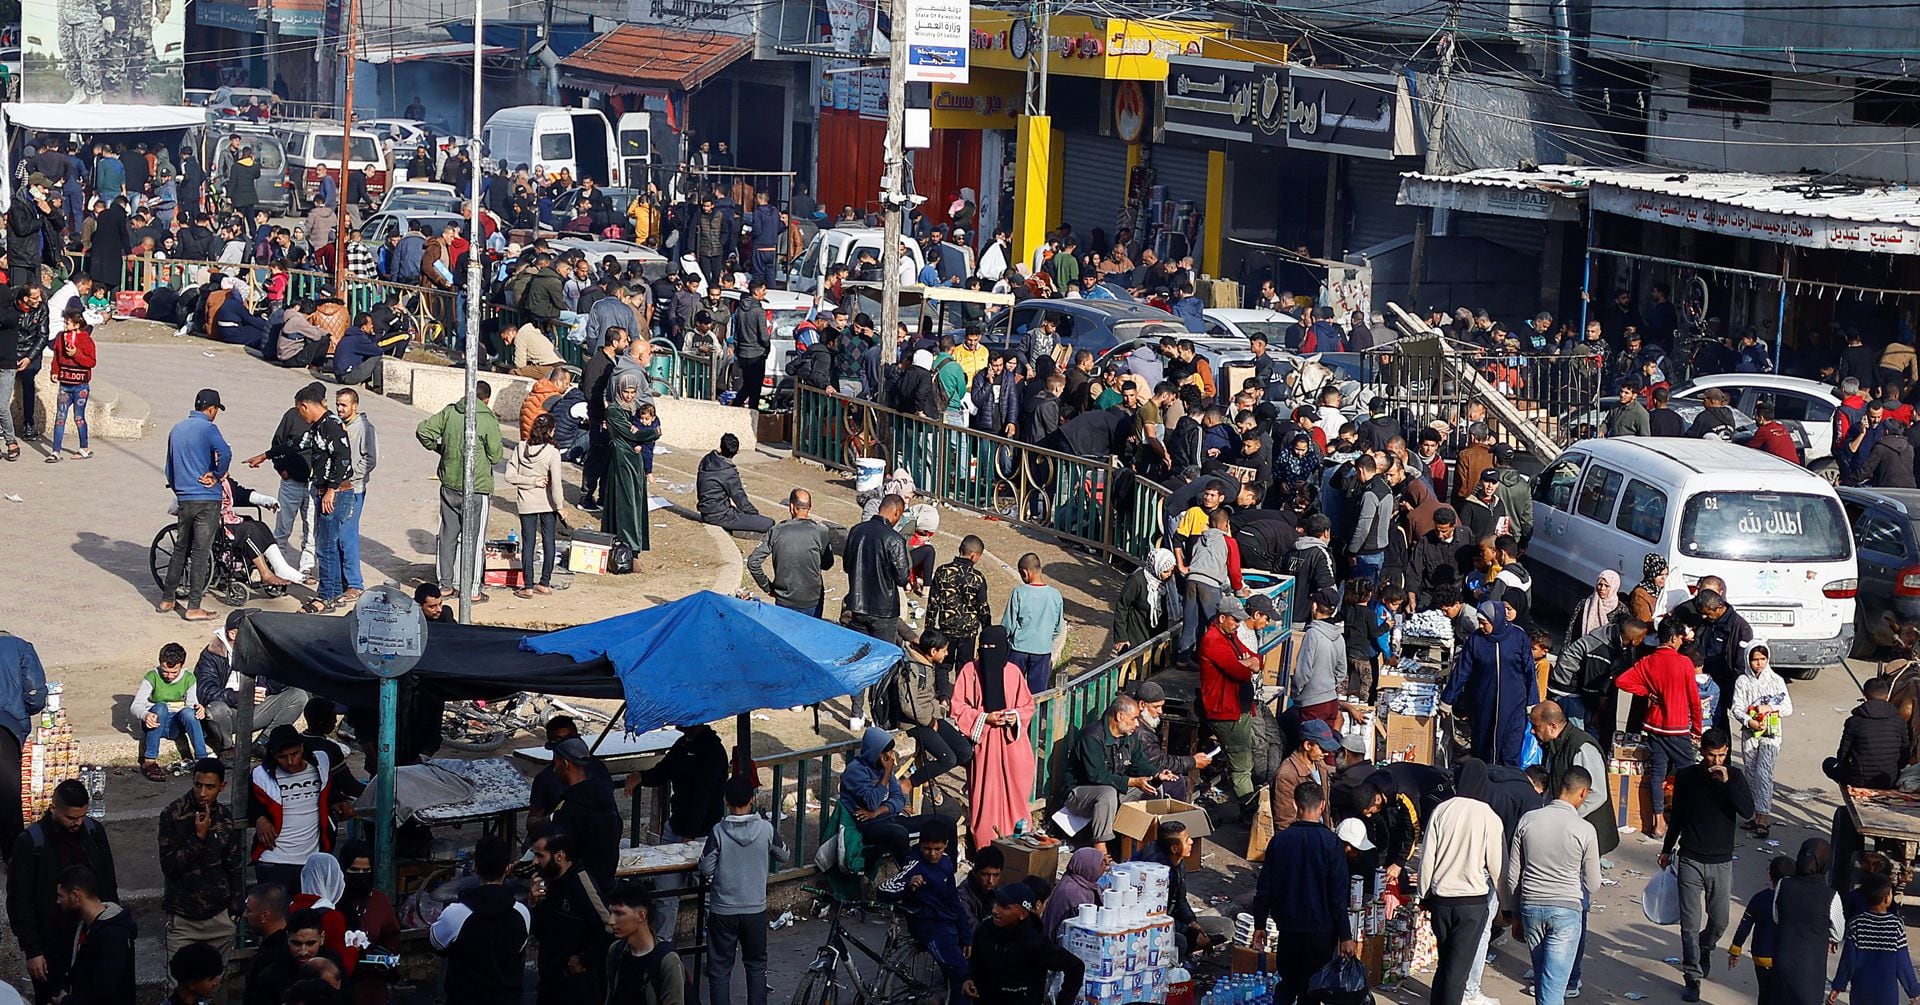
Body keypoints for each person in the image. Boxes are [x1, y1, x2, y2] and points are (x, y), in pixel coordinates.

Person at [1662, 728, 1754, 1000]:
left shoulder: (1735, 777)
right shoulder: (1688, 777)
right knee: (1689, 924)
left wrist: (1726, 783)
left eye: (1722, 755)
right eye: (1712, 755)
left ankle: (1706, 946)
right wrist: (1667, 849)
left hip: (1721, 862)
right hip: (1690, 857)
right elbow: (1677, 815)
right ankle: (1692, 976)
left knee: (1720, 921)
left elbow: (1748, 812)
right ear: (1702, 752)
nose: (1717, 761)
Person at [8, 779, 117, 1004]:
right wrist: (33, 950)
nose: (77, 823)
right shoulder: (30, 843)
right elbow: (20, 901)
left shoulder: (94, 832)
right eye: (71, 818)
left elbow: (107, 883)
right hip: (50, 941)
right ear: (53, 809)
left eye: (82, 816)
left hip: (90, 936)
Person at [1505, 766, 1602, 1005]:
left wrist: (1515, 915)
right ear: (1583, 793)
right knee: (1553, 989)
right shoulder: (1585, 829)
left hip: (1531, 908)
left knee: (1543, 982)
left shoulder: (1529, 819)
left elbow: (1512, 875)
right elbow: (1593, 882)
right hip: (1566, 912)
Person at [1252, 781, 1355, 1005]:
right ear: (1322, 805)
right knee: (1312, 989)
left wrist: (1259, 923)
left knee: (1287, 983)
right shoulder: (1332, 843)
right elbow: (1338, 895)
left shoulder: (1279, 841)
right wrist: (1345, 936)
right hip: (1321, 931)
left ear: (1295, 805)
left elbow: (1265, 887)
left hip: (1288, 928)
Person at [1421, 759, 1505, 1005]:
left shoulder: (1442, 810)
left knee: (1445, 962)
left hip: (1441, 901)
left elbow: (1427, 859)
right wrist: (1507, 906)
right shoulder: (1490, 817)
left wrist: (1424, 895)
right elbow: (1498, 868)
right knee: (1458, 971)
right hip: (1472, 904)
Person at [701, 776, 789, 1005]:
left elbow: (705, 867)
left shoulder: (718, 831)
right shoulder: (766, 829)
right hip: (755, 910)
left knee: (719, 969)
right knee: (756, 965)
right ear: (753, 799)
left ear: (725, 801)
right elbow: (785, 855)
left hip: (723, 911)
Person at [415, 381, 503, 604]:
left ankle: (445, 585)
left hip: (450, 484)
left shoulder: (450, 412)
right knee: (474, 539)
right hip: (477, 488)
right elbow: (495, 456)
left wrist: (441, 449)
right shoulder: (487, 419)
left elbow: (423, 431)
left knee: (447, 535)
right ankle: (472, 589)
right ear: (486, 400)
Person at [1615, 619, 1705, 838]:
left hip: (1654, 726)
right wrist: (1698, 728)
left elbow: (1622, 681)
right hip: (1677, 727)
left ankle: (1658, 823)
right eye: (1680, 638)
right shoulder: (1683, 663)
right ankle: (1689, 819)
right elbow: (1694, 699)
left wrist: (1647, 692)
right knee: (1689, 774)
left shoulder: (1648, 661)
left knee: (1657, 773)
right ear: (1674, 638)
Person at [249, 724, 364, 893]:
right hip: (274, 861)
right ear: (272, 755)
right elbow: (249, 802)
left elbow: (330, 793)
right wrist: (259, 818)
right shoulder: (261, 776)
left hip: (312, 861)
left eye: (294, 754)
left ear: (302, 748)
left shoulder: (321, 765)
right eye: (282, 757)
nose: (289, 762)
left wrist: (339, 803)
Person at [951, 627, 1037, 849]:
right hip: (985, 743)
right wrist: (984, 718)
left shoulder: (1013, 672)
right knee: (985, 794)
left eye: (995, 648)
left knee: (1017, 790)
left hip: (1012, 743)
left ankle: (1017, 842)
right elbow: (958, 707)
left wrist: (1013, 716)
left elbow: (1027, 705)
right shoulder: (970, 671)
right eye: (985, 648)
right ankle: (986, 846)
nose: (990, 653)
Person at [878, 816, 971, 1004]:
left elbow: (953, 900)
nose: (932, 853)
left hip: (947, 922)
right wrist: (908, 885)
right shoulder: (914, 864)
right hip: (928, 927)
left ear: (946, 846)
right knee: (961, 973)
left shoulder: (946, 864)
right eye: (927, 848)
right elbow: (884, 889)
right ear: (920, 845)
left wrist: (966, 934)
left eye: (938, 849)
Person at [429, 837, 531, 1005]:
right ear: (507, 869)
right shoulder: (522, 913)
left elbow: (437, 944)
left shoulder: (456, 913)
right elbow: (519, 948)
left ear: (476, 868)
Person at [161, 389, 233, 621]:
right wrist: (216, 474)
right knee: (201, 552)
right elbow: (225, 452)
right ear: (211, 409)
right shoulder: (208, 428)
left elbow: (169, 468)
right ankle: (193, 607)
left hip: (185, 497)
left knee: (181, 548)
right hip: (206, 499)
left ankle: (167, 599)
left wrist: (180, 488)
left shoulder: (177, 429)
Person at [157, 758, 239, 960]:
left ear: (222, 786)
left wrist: (235, 907)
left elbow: (234, 864)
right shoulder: (173, 814)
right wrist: (198, 838)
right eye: (198, 785)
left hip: (219, 914)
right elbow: (170, 867)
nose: (202, 793)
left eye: (210, 787)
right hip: (184, 915)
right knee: (180, 985)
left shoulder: (225, 817)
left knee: (217, 985)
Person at [1061, 695, 1168, 847]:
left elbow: (1140, 763)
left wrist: (1157, 775)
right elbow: (1097, 776)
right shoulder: (1092, 737)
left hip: (1114, 789)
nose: (1137, 724)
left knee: (1154, 788)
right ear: (1120, 716)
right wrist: (1132, 782)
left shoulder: (1129, 737)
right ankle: (1101, 845)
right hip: (1079, 794)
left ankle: (1141, 841)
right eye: (1134, 718)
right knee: (1107, 793)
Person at [1443, 602, 1536, 766]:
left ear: (1496, 619)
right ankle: (1484, 782)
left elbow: (1529, 671)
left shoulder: (1517, 638)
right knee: (1483, 745)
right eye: (1480, 622)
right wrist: (1447, 699)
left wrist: (1532, 701)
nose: (1481, 627)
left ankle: (1506, 784)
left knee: (1509, 748)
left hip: (1514, 704)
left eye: (1484, 623)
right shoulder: (1476, 640)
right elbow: (1462, 671)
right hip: (1484, 703)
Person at [965, 879, 1084, 1005]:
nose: (995, 910)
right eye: (996, 903)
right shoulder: (984, 929)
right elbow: (975, 961)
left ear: (1022, 914)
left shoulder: (1035, 943)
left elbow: (1076, 967)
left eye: (1004, 907)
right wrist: (968, 978)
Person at [529, 829, 612, 1005]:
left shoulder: (582, 885)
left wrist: (583, 960)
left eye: (540, 856)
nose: (535, 862)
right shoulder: (547, 881)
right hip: (549, 981)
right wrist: (534, 904)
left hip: (576, 988)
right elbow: (541, 932)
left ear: (559, 856)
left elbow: (611, 928)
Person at [1198, 596, 1259, 814]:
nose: (1238, 624)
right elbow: (1239, 671)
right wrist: (1247, 664)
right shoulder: (1213, 640)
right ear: (1222, 617)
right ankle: (1250, 811)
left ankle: (1248, 805)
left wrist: (1249, 662)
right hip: (1226, 712)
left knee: (1244, 762)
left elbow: (1255, 660)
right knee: (1241, 765)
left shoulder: (1230, 636)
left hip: (1238, 709)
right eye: (1234, 620)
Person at [1136, 819, 1231, 959]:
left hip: (1174, 919)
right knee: (1181, 941)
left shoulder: (1178, 861)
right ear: (1174, 848)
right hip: (1152, 927)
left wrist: (1192, 922)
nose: (1192, 842)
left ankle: (1193, 946)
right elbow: (1154, 918)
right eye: (1187, 840)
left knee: (1226, 927)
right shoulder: (1154, 875)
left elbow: (1181, 899)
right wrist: (1190, 932)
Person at [545, 738, 624, 892]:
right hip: (606, 883)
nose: (554, 768)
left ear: (566, 764)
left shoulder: (569, 809)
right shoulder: (605, 800)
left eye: (556, 762)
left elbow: (561, 852)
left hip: (579, 889)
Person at [1731, 640, 1792, 839]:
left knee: (1764, 773)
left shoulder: (1776, 680)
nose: (1759, 663)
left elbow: (1788, 708)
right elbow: (1737, 708)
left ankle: (1764, 817)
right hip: (1750, 733)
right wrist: (1750, 722)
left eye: (1763, 659)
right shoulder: (1743, 681)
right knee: (1750, 772)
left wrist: (1771, 708)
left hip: (1771, 734)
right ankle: (1754, 815)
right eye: (1755, 659)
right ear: (1748, 660)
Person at [840, 727, 925, 866]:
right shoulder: (856, 771)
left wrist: (879, 811)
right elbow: (872, 802)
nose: (889, 757)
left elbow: (899, 799)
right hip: (867, 826)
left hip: (888, 818)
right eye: (885, 753)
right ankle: (908, 876)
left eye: (890, 752)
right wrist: (886, 774)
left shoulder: (883, 768)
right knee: (900, 834)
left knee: (942, 822)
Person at [54, 865, 136, 1005]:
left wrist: (66, 1001)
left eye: (61, 896)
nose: (58, 901)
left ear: (75, 896)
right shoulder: (84, 926)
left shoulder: (113, 935)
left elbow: (106, 993)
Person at [1831, 874, 1918, 1005]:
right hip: (1886, 992)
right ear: (1887, 898)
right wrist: (1913, 992)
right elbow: (1903, 962)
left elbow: (1848, 961)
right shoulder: (1895, 925)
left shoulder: (1857, 923)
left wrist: (1838, 987)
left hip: (1861, 991)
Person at [746, 489, 835, 617]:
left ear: (791, 506)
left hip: (784, 598)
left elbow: (753, 562)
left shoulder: (776, 531)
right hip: (812, 599)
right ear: (809, 507)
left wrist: (768, 587)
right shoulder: (820, 531)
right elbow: (827, 564)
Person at [506, 413, 565, 597]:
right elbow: (556, 483)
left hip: (526, 502)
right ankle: (544, 583)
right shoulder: (552, 452)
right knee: (549, 541)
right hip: (547, 503)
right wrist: (560, 505)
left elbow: (509, 475)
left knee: (528, 543)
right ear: (551, 431)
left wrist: (529, 481)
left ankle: (528, 585)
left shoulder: (521, 447)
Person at [131, 642, 208, 779]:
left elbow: (192, 704)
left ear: (181, 666)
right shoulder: (152, 676)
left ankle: (202, 760)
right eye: (165, 671)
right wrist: (145, 715)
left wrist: (199, 709)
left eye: (174, 672)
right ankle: (149, 760)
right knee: (160, 707)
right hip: (155, 722)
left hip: (175, 725)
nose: (169, 676)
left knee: (190, 713)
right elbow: (136, 705)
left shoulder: (189, 679)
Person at [604, 373, 661, 559]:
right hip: (623, 461)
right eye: (625, 392)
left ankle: (631, 546)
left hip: (633, 462)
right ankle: (628, 548)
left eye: (632, 392)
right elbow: (632, 435)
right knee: (626, 504)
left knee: (635, 503)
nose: (629, 396)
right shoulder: (614, 410)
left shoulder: (634, 409)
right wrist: (654, 432)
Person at [1128, 680, 1210, 801]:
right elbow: (1157, 763)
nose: (1160, 711)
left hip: (1140, 773)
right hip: (1134, 779)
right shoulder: (1141, 733)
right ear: (1141, 705)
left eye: (1161, 706)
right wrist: (1192, 761)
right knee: (1176, 783)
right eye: (1156, 707)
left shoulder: (1142, 727)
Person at [601, 887, 684, 1005]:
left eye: (619, 913)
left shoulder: (668, 961)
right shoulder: (616, 951)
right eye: (611, 913)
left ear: (641, 915)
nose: (611, 921)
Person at [1729, 856, 1795, 1005]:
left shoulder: (1759, 898)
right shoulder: (1795, 901)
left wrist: (1736, 949)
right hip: (1785, 957)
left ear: (1770, 875)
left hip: (1762, 955)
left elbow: (1745, 924)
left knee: (1765, 992)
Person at [1002, 554, 1065, 696]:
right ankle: (1034, 717)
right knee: (1037, 694)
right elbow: (1057, 628)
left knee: (1012, 691)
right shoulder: (1055, 595)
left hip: (1018, 650)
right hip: (1042, 651)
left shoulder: (1019, 593)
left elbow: (1008, 625)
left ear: (1025, 573)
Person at [927, 536, 992, 670]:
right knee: (965, 668)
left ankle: (942, 691)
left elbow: (933, 602)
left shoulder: (942, 571)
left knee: (943, 665)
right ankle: (962, 691)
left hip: (946, 628)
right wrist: (987, 631)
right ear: (974, 556)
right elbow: (982, 608)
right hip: (968, 632)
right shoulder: (977, 578)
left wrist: (930, 629)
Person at [696, 433, 773, 535]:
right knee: (769, 523)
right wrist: (754, 515)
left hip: (707, 511)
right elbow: (740, 498)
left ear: (720, 447)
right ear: (737, 451)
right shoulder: (728, 472)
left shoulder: (707, 459)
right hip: (720, 516)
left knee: (743, 515)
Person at [1272, 719, 1338, 831]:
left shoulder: (1320, 765)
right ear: (1307, 745)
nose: (1326, 753)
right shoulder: (1287, 775)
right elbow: (1284, 822)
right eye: (1322, 748)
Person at [1113, 548, 1178, 654]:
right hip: (1136, 631)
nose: (1170, 574)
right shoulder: (1136, 580)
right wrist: (1121, 637)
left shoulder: (1165, 584)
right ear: (1156, 567)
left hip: (1156, 632)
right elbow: (1122, 607)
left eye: (1172, 571)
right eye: (1166, 571)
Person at [242, 884, 296, 1005]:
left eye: (249, 910)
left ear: (264, 916)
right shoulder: (282, 946)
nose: (245, 915)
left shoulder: (274, 956)